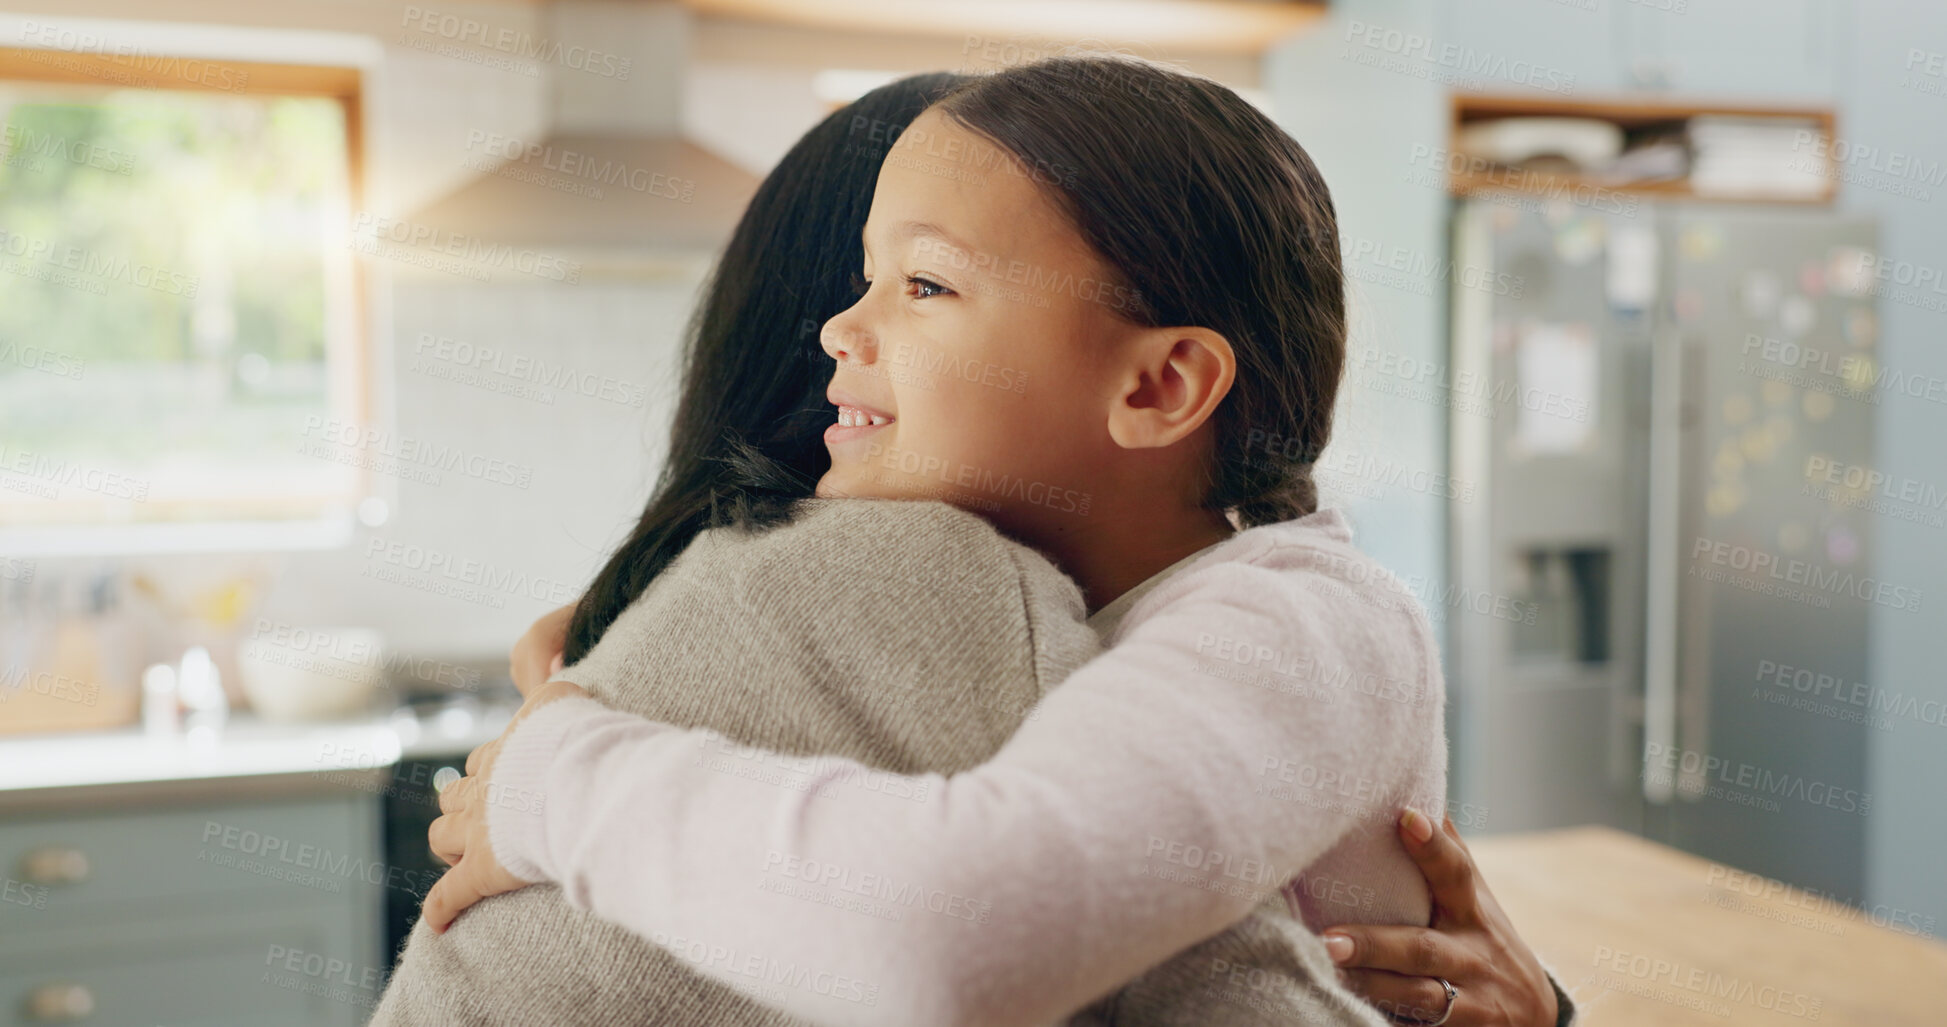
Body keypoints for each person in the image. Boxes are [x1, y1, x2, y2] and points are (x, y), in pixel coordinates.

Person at [434, 58, 1574, 1027]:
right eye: (863, 277)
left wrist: (562, 787)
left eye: (923, 283)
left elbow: (958, 936)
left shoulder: (1303, 620)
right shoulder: (1033, 609)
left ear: (1162, 385)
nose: (841, 327)